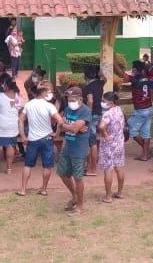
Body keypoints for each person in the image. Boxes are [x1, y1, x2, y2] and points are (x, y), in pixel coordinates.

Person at [16, 82, 64, 196]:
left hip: (32, 139)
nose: (51, 94)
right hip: (47, 139)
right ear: (43, 93)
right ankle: (43, 189)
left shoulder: (29, 105)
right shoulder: (49, 106)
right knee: (47, 165)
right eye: (49, 92)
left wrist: (23, 136)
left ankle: (23, 189)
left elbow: (20, 120)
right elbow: (60, 121)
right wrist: (56, 134)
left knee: (28, 165)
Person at [57, 86, 91, 215]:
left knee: (78, 178)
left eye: (72, 99)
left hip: (79, 150)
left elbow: (72, 129)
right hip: (68, 147)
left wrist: (65, 126)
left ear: (80, 99)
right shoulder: (67, 109)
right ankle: (75, 196)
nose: (70, 102)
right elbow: (68, 127)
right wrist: (67, 126)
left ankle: (80, 207)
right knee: (62, 173)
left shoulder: (85, 111)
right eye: (69, 99)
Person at [117, 60, 153, 161]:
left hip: (140, 111)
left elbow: (121, 73)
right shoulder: (147, 78)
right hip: (149, 108)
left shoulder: (135, 79)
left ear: (135, 69)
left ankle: (146, 151)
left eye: (133, 68)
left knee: (132, 131)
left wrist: (114, 62)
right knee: (146, 133)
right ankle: (145, 154)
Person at [96, 91, 126, 202]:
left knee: (108, 170)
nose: (102, 103)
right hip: (119, 142)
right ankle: (120, 192)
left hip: (108, 145)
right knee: (119, 167)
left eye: (104, 101)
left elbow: (101, 126)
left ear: (110, 102)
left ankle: (108, 196)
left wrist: (104, 135)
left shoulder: (107, 113)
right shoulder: (120, 110)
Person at [82, 65, 105, 176]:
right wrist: (100, 73)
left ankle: (93, 169)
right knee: (95, 139)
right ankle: (90, 164)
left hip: (92, 114)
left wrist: (87, 114)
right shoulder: (100, 83)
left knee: (92, 142)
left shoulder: (88, 87)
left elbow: (90, 101)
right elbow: (104, 78)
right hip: (99, 113)